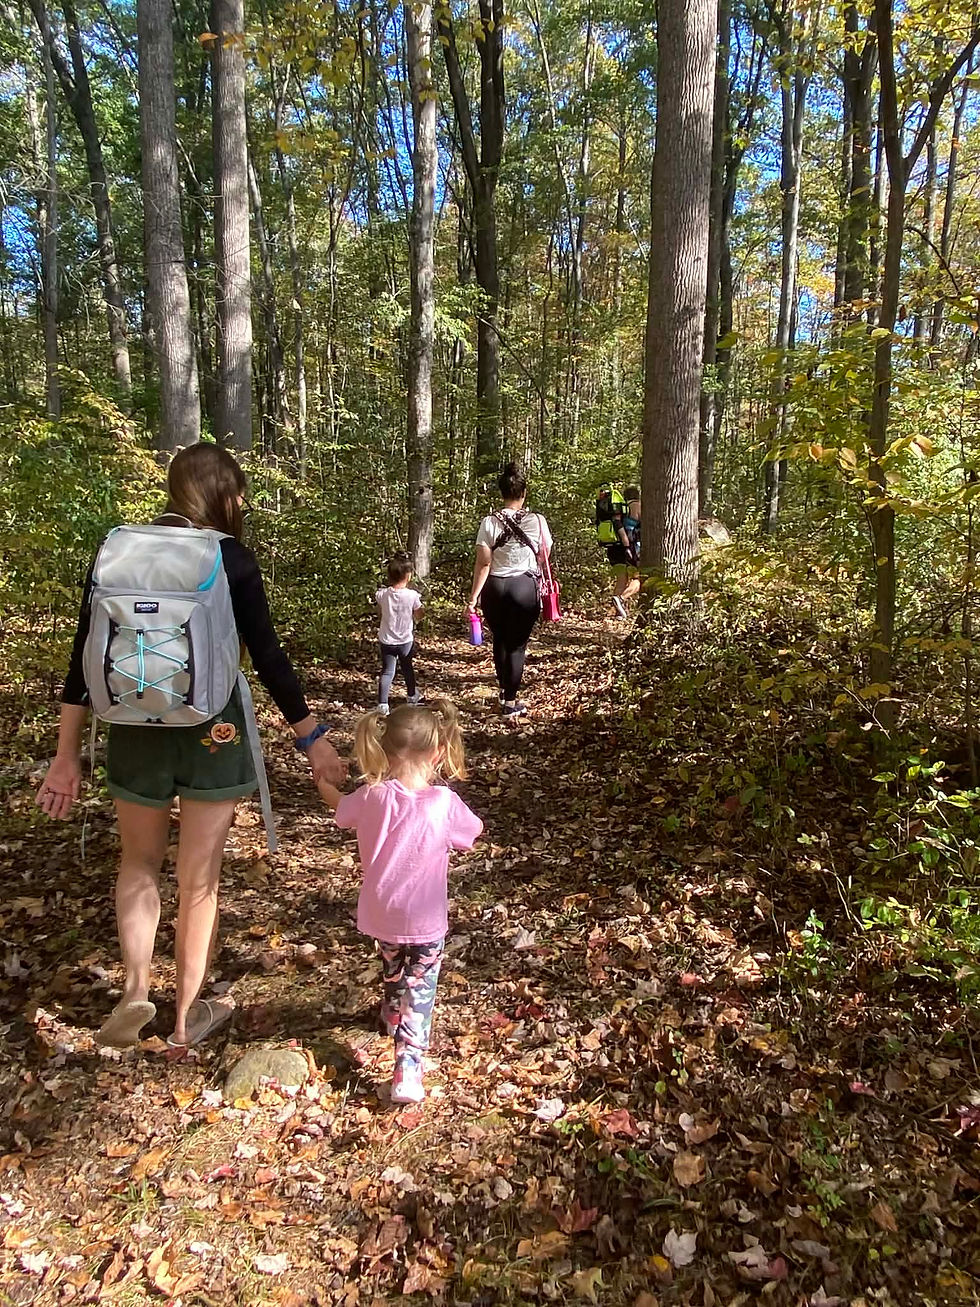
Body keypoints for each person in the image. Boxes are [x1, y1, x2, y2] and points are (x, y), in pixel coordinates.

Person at [35, 444, 346, 1051]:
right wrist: (312, 738)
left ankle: (132, 993)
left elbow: (82, 662)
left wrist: (66, 754)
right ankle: (183, 1021)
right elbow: (270, 658)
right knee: (198, 879)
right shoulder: (230, 559)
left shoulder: (120, 552)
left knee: (139, 863)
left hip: (131, 727)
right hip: (212, 729)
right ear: (227, 497)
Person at [317, 700, 482, 1104]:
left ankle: (392, 1013)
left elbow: (338, 807)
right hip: (425, 920)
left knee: (392, 964)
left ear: (383, 750)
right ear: (439, 753)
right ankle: (408, 1068)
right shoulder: (444, 803)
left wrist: (323, 781)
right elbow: (471, 833)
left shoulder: (371, 795)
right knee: (421, 988)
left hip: (380, 911)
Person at [466, 461, 553, 718]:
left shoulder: (489, 522)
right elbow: (544, 553)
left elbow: (483, 562)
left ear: (501, 493)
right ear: (523, 494)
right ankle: (511, 701)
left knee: (500, 640)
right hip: (524, 587)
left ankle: (504, 691)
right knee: (517, 645)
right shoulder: (537, 520)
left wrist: (473, 598)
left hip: (494, 588)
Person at [375, 552, 423, 716]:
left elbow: (379, 605)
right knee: (407, 668)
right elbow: (419, 613)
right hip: (404, 641)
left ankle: (383, 704)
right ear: (408, 576)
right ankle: (411, 697)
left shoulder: (382, 594)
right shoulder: (412, 596)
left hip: (387, 640)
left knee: (387, 671)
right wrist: (417, 618)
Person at [607, 485, 641, 618]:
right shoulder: (637, 506)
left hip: (615, 548)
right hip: (633, 548)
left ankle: (618, 613)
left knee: (621, 580)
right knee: (639, 578)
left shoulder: (619, 508)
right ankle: (621, 598)